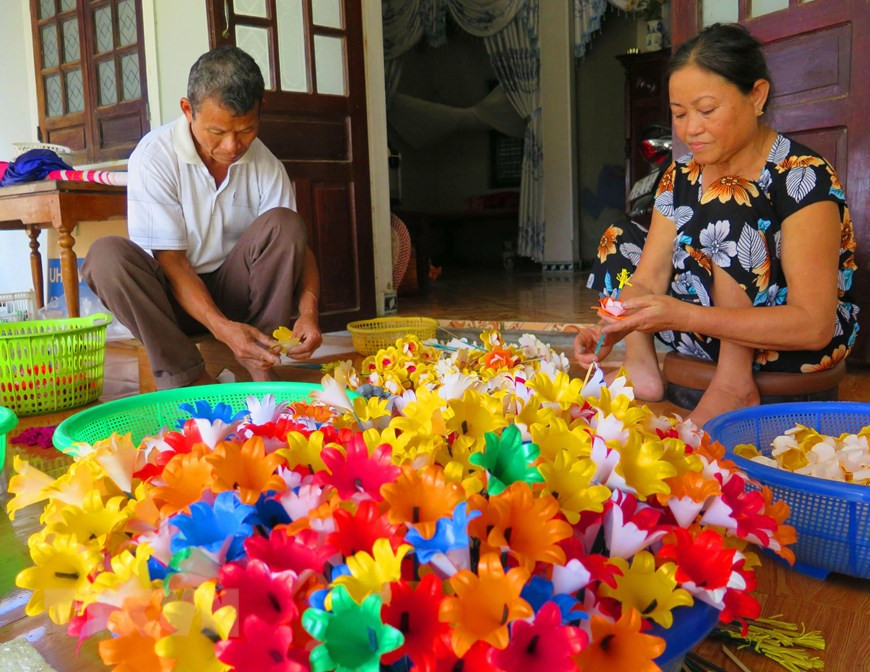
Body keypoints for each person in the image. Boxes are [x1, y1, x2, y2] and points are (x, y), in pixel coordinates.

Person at [576, 23, 859, 425]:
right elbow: (651, 273)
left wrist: (681, 316)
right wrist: (616, 323)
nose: (690, 128)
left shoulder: (802, 176)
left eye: (707, 110)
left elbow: (813, 326)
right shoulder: (681, 175)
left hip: (786, 344)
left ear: (756, 96)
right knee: (620, 238)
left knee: (730, 197)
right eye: (679, 114)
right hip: (705, 329)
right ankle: (640, 368)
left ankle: (732, 384)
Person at [84, 46, 322, 389]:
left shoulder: (266, 164)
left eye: (245, 130)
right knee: (106, 258)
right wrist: (223, 330)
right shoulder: (155, 157)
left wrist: (309, 313)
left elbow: (299, 249)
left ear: (260, 111)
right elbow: (174, 265)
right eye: (217, 132)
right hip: (172, 299)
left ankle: (259, 359)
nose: (232, 146)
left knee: (285, 223)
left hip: (235, 293)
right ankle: (190, 376)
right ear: (187, 110)